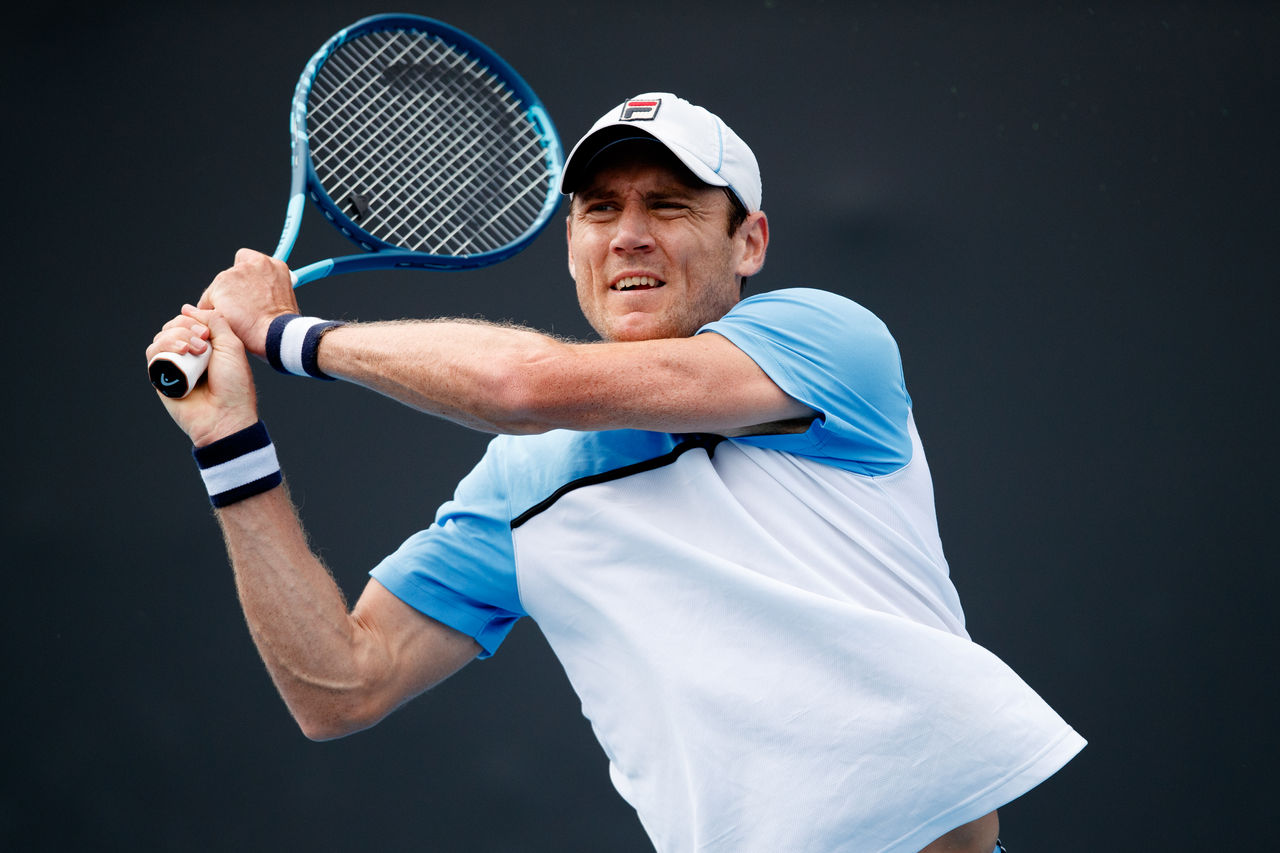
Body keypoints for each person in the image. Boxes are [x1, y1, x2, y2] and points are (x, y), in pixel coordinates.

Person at [147, 92, 1083, 853]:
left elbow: (524, 383)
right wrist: (229, 442)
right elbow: (338, 688)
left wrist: (284, 335)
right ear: (572, 247)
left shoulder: (828, 342)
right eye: (599, 209)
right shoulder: (518, 487)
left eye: (667, 205)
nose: (628, 234)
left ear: (748, 242)